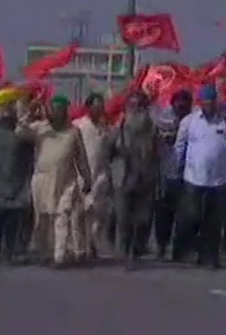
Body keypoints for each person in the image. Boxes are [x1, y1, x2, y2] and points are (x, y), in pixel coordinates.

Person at [18, 94, 91, 266]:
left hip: (66, 181)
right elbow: (20, 132)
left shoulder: (73, 131)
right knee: (42, 219)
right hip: (42, 181)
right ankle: (44, 252)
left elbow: (81, 158)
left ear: (65, 112)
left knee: (62, 215)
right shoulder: (41, 129)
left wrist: (87, 178)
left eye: (60, 111)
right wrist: (29, 113)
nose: (56, 114)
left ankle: (59, 256)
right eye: (53, 110)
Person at [172, 84, 226, 269]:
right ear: (200, 102)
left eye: (212, 101)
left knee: (213, 221)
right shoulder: (190, 121)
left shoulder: (225, 122)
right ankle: (184, 250)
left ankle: (209, 255)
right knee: (190, 217)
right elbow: (180, 146)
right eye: (205, 101)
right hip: (194, 177)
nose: (209, 105)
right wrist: (178, 167)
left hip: (217, 180)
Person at [0, 87, 35, 265]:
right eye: (5, 106)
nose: (8, 111)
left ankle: (8, 252)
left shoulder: (22, 132)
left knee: (11, 221)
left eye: (11, 106)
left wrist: (26, 182)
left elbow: (30, 158)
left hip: (15, 182)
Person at [109, 90, 161, 268]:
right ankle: (124, 252)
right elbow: (107, 151)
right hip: (123, 178)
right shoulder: (120, 125)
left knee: (142, 219)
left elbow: (157, 156)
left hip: (145, 179)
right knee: (123, 218)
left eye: (139, 105)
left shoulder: (152, 128)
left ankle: (136, 250)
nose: (135, 108)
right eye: (132, 105)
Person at [153, 89, 192, 259]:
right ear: (173, 102)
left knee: (185, 216)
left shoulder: (194, 121)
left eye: (186, 102)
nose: (182, 105)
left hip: (188, 175)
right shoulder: (163, 118)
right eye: (179, 101)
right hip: (166, 173)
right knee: (164, 214)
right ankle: (162, 245)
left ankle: (180, 250)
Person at [73, 92, 112, 258]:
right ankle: (78, 248)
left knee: (98, 215)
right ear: (88, 107)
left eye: (101, 106)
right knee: (78, 214)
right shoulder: (78, 126)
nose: (99, 109)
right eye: (96, 106)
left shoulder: (105, 128)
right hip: (80, 176)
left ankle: (93, 244)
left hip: (100, 177)